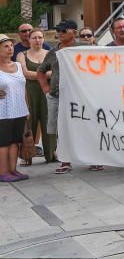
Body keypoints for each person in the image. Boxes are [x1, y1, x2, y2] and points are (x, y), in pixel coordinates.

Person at [37, 20, 78, 174]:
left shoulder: (84, 48)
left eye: (64, 30)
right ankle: (65, 161)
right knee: (61, 129)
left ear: (74, 32)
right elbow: (40, 71)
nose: (60, 33)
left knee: (84, 126)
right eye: (58, 30)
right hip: (57, 96)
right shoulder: (53, 52)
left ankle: (91, 159)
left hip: (79, 97)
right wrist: (46, 89)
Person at [15, 29, 48, 164]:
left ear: (44, 39)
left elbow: (57, 71)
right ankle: (27, 155)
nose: (37, 40)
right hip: (29, 91)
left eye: (40, 37)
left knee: (48, 121)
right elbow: (25, 73)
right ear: (29, 40)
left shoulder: (50, 53)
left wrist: (36, 75)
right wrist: (46, 75)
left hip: (47, 91)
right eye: (34, 38)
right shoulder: (21, 55)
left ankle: (51, 153)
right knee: (29, 122)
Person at [0, 35, 29, 182]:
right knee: (3, 142)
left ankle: (13, 170)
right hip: (3, 112)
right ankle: (3, 172)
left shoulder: (18, 65)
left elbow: (23, 88)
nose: (10, 48)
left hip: (19, 109)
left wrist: (27, 108)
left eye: (11, 45)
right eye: (5, 46)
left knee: (15, 141)